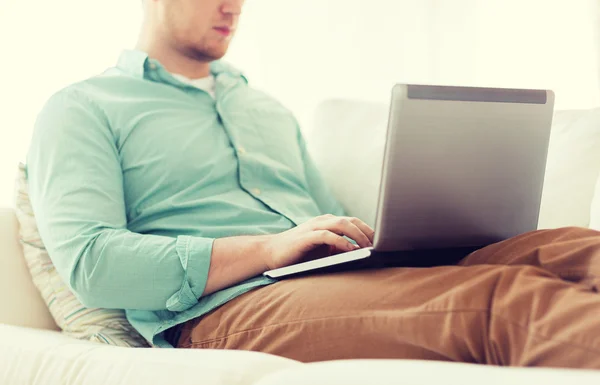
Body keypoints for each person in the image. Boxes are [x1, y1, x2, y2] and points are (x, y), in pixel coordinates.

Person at [26, 0, 600, 368]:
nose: (234, 6)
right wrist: (271, 248)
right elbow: (94, 265)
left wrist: (408, 234)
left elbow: (325, 220)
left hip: (331, 278)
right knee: (503, 304)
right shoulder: (82, 107)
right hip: (225, 310)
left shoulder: (265, 108)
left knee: (572, 247)